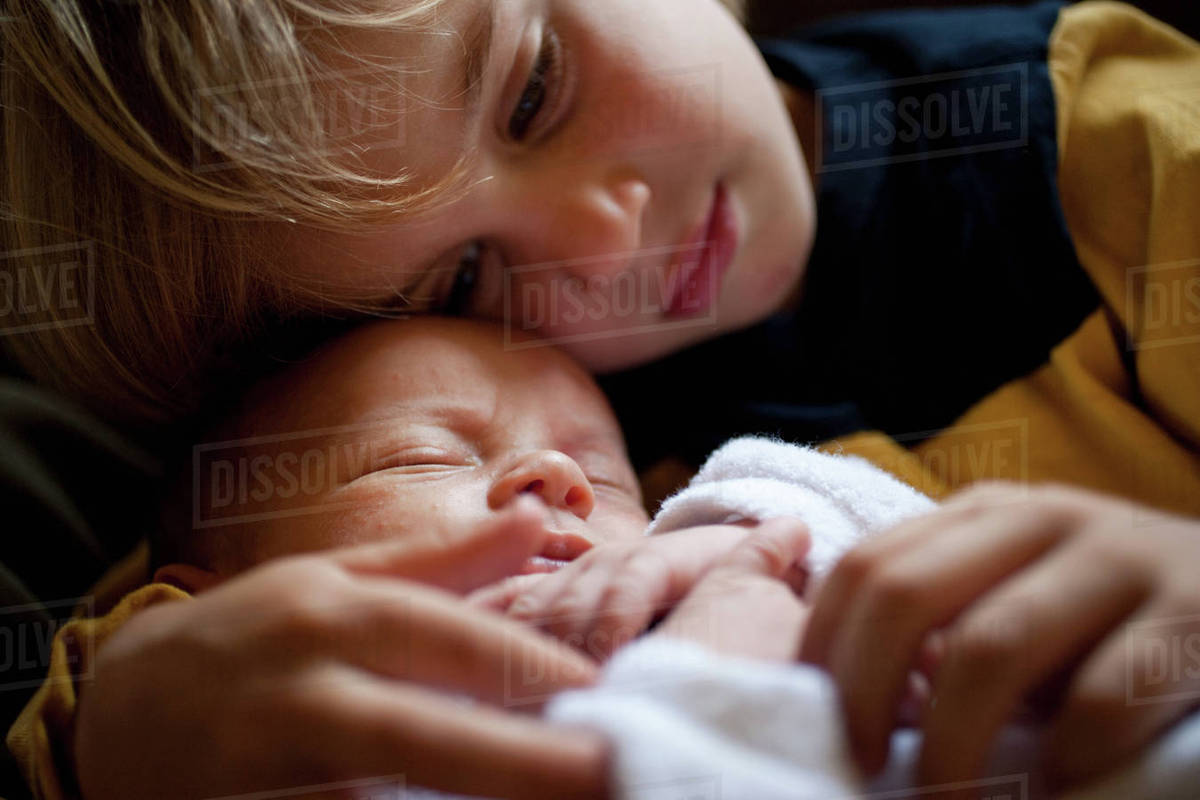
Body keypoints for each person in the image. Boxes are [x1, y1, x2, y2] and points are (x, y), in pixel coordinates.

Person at [2, 0, 1198, 795]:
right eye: (460, 282)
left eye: (533, 91)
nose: (611, 241)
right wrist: (114, 738)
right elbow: (224, 599)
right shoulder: (443, 433)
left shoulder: (1117, 147)